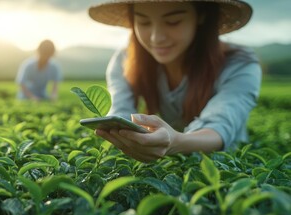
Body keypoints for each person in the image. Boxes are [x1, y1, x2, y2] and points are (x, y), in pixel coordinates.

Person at [87, 0, 262, 162]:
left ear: (202, 16)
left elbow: (219, 125)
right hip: (176, 160)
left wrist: (177, 141)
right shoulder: (125, 61)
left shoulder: (240, 65)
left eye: (173, 21)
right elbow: (120, 110)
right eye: (144, 22)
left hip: (226, 163)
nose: (156, 38)